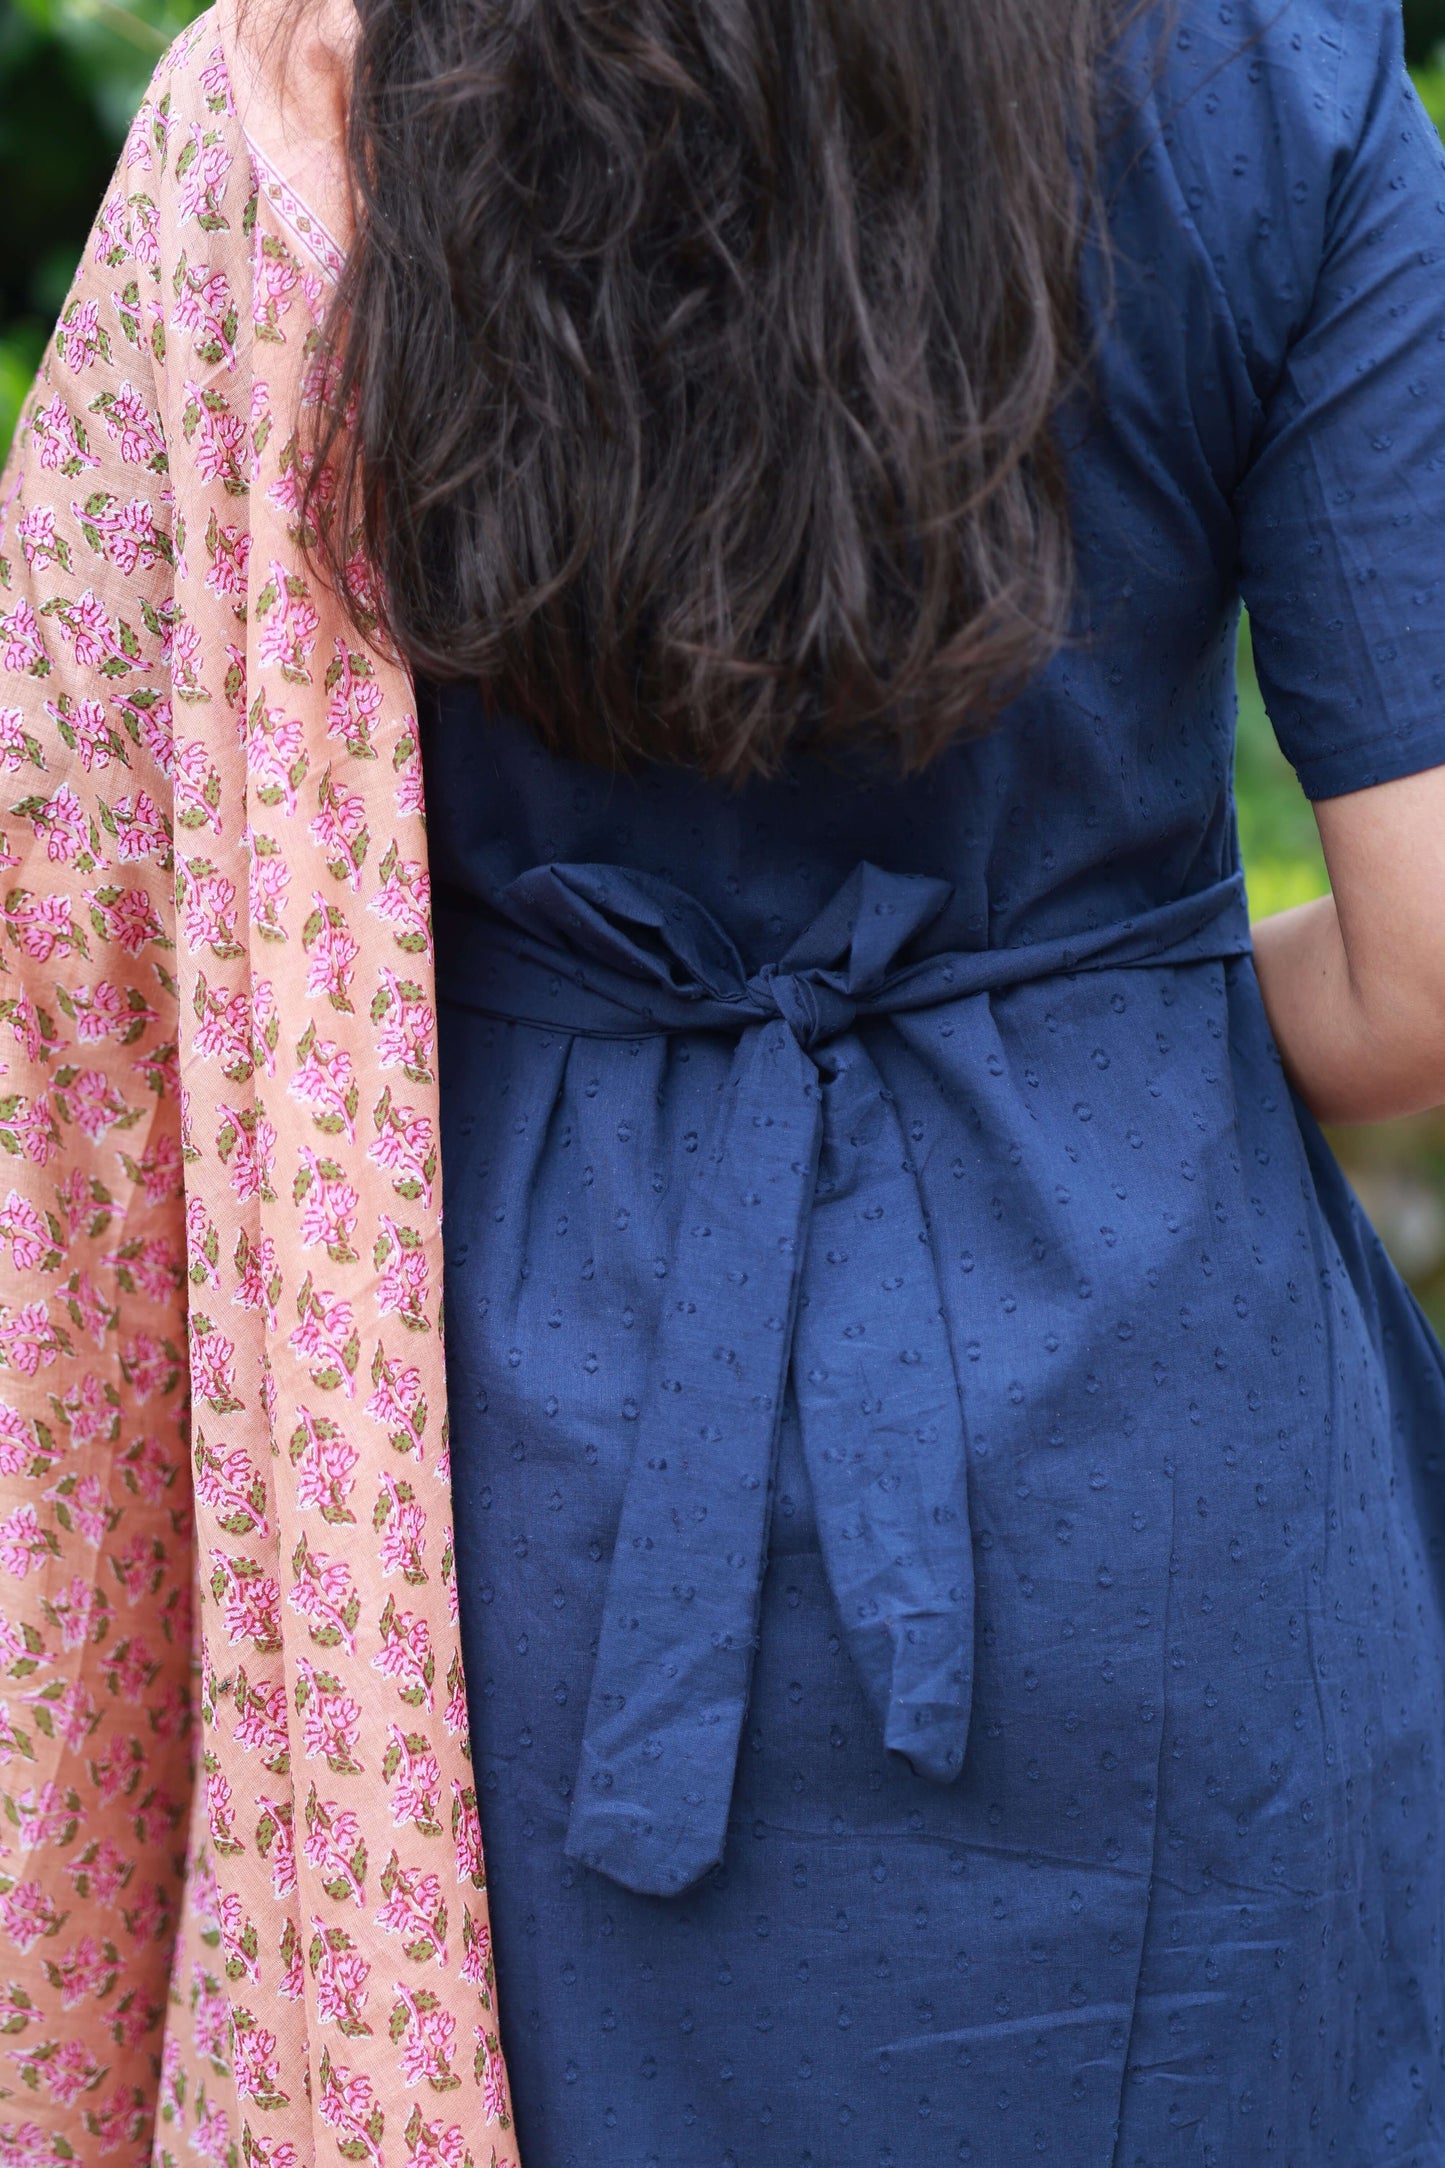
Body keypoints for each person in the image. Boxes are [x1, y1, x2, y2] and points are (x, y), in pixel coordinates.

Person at [3, 0, 1445, 2162]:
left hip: (495, 1486)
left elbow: (81, 929)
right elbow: (1425, 968)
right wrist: (1084, 1012)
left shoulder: (308, 90)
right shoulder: (1258, 64)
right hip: (1165, 1487)